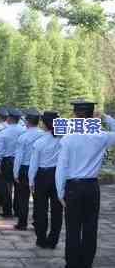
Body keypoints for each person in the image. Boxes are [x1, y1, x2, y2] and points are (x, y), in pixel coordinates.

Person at [55, 100, 115, 268]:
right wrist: (106, 118)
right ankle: (86, 262)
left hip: (73, 187)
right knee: (90, 227)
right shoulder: (102, 136)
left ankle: (72, 263)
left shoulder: (68, 139)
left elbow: (61, 167)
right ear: (92, 117)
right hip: (92, 187)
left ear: (75, 116)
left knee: (73, 228)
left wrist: (60, 192)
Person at [28, 111, 63, 249]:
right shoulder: (63, 139)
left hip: (42, 177)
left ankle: (41, 239)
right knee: (57, 210)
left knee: (40, 209)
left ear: (44, 124)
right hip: (58, 175)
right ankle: (53, 240)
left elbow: (34, 164)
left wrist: (31, 181)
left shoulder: (40, 142)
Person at [13, 108, 44, 230]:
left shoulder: (23, 137)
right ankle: (37, 221)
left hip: (25, 169)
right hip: (39, 169)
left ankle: (22, 222)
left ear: (27, 121)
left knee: (23, 198)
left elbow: (18, 157)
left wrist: (15, 173)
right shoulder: (43, 134)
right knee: (39, 198)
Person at [0, 107, 25, 218]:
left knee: (7, 187)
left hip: (7, 162)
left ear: (9, 118)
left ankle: (7, 211)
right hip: (20, 161)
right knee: (19, 187)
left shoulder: (3, 132)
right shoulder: (23, 131)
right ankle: (18, 210)